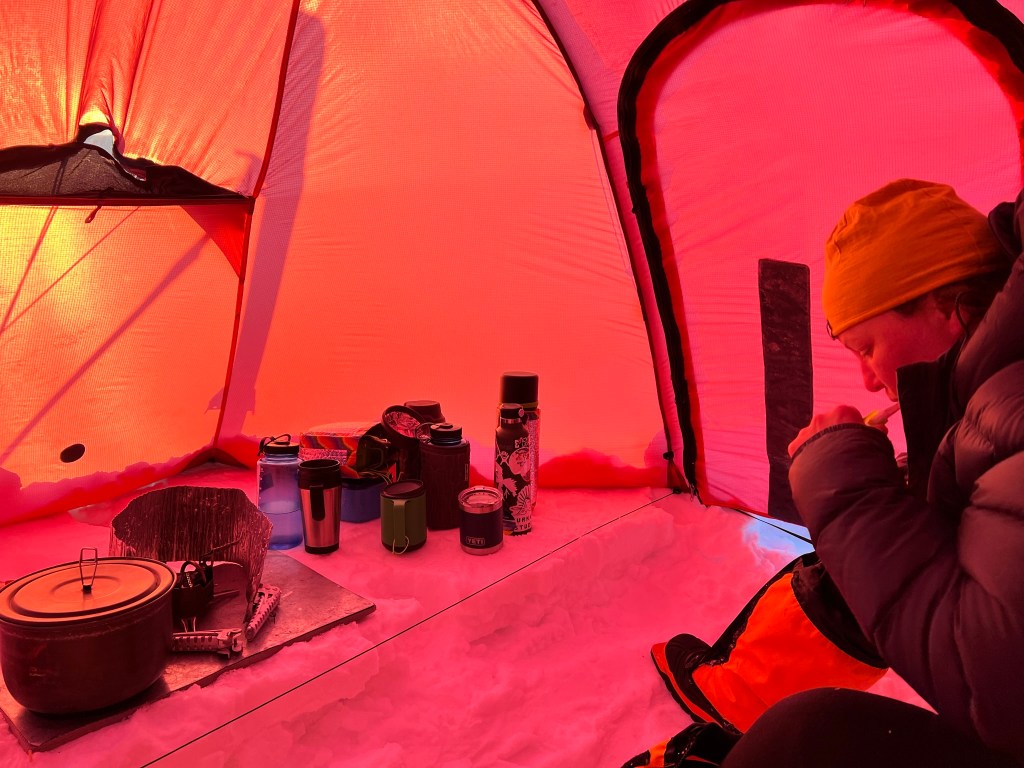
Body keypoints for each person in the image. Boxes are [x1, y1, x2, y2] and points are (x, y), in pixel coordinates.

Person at [723, 178, 1024, 767]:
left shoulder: (1012, 405)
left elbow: (994, 688)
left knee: (797, 744)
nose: (866, 380)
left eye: (867, 347)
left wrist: (843, 479)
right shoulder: (990, 401)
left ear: (948, 304)